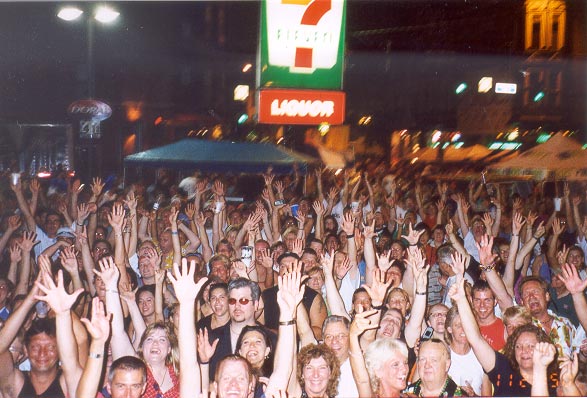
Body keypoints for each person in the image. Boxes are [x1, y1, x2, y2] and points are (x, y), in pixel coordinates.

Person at [444, 305, 492, 396]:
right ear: (449, 329)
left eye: (467, 325)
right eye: (458, 326)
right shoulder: (442, 355)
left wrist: (473, 395)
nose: (464, 330)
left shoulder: (482, 356)